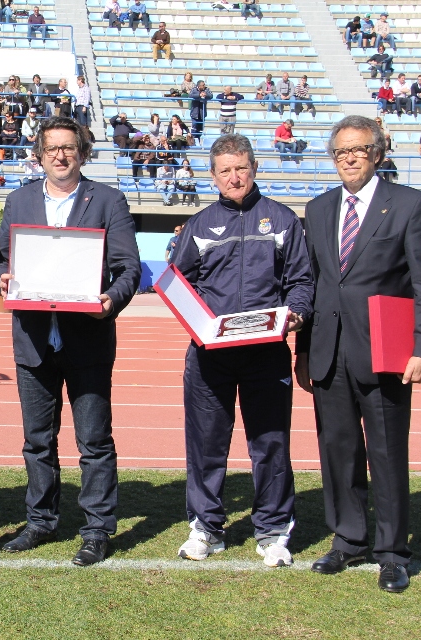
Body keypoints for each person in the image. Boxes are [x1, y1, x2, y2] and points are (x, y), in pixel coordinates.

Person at [295, 115, 421, 594]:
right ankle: (348, 538)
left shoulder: (409, 205)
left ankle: (392, 552)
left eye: (359, 150)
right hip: (328, 353)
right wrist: (303, 353)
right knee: (337, 452)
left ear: (378, 153)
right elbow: (314, 286)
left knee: (385, 453)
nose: (350, 159)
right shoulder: (317, 210)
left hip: (386, 353)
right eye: (341, 152)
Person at [0, 116, 141, 566]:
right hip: (34, 341)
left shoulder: (108, 200)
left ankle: (96, 528)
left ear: (82, 152)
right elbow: (0, 258)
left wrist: (109, 300)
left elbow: (129, 268)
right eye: (52, 148)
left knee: (94, 440)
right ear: (39, 154)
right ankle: (40, 520)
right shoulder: (19, 201)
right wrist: (2, 277)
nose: (60, 155)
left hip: (87, 338)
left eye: (69, 148)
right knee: (38, 440)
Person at [173, 133, 312, 567]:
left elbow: (301, 282)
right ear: (213, 176)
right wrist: (198, 322)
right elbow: (181, 281)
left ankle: (272, 531)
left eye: (241, 168)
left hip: (265, 353)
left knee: (269, 442)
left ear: (254, 169)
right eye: (225, 171)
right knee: (206, 444)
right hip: (209, 354)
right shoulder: (198, 225)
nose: (234, 177)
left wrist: (297, 315)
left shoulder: (284, 220)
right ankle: (206, 527)